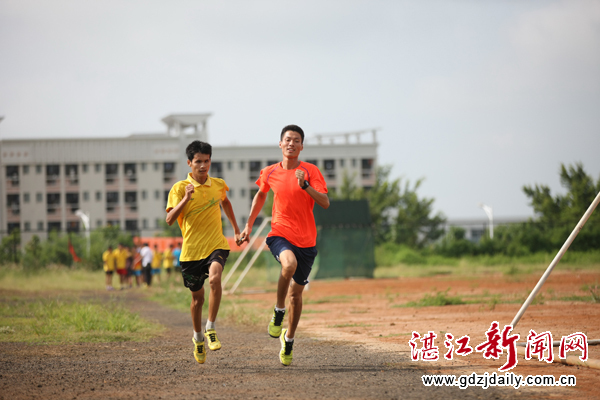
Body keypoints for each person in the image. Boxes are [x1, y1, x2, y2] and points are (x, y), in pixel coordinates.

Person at [241, 124, 329, 366]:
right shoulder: (270, 172)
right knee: (287, 265)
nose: (291, 143)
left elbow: (325, 202)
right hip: (280, 233)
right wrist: (249, 225)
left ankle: (289, 339)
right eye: (287, 139)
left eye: (296, 140)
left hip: (307, 241)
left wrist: (306, 186)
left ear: (301, 146)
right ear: (280, 144)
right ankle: (278, 312)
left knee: (297, 295)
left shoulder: (310, 171)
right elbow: (260, 195)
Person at [166, 140, 241, 365]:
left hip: (216, 244)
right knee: (197, 299)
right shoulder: (179, 188)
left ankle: (211, 327)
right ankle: (198, 337)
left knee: (216, 279)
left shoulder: (218, 185)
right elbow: (169, 220)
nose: (203, 166)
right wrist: (186, 199)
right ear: (189, 163)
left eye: (206, 161)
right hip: (190, 253)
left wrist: (236, 229)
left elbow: (226, 202)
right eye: (198, 161)